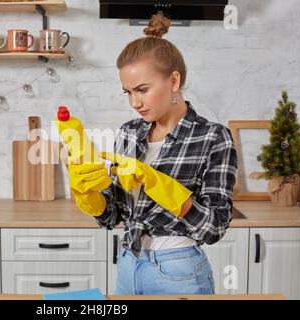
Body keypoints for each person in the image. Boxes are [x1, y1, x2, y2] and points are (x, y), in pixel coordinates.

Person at [67, 13, 238, 295]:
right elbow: (114, 216)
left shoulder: (213, 137)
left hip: (178, 270)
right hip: (128, 264)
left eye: (143, 90)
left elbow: (214, 228)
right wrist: (92, 198)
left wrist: (159, 184)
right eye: (128, 92)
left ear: (173, 80)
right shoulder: (129, 132)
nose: (135, 102)